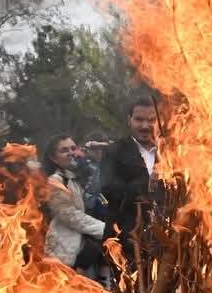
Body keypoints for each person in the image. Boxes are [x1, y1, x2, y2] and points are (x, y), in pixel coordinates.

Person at [42, 135, 111, 269]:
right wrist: (106, 229)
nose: (71, 153)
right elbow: (70, 216)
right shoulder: (55, 181)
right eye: (64, 150)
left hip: (83, 253)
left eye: (73, 148)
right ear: (53, 158)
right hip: (61, 256)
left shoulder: (76, 178)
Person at [102, 97, 161, 253]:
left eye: (151, 120)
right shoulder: (114, 152)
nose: (145, 126)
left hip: (165, 242)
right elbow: (107, 189)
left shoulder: (173, 152)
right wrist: (146, 185)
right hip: (126, 239)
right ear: (129, 120)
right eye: (139, 120)